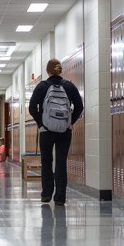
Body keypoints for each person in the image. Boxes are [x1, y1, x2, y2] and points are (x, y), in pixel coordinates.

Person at [28, 58, 84, 205]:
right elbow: (79, 106)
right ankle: (60, 197)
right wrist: (70, 122)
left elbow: (32, 107)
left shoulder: (42, 86)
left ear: (47, 71)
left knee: (46, 161)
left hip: (46, 131)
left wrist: (41, 123)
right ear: (60, 70)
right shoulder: (69, 86)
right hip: (64, 132)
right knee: (61, 163)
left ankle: (46, 194)